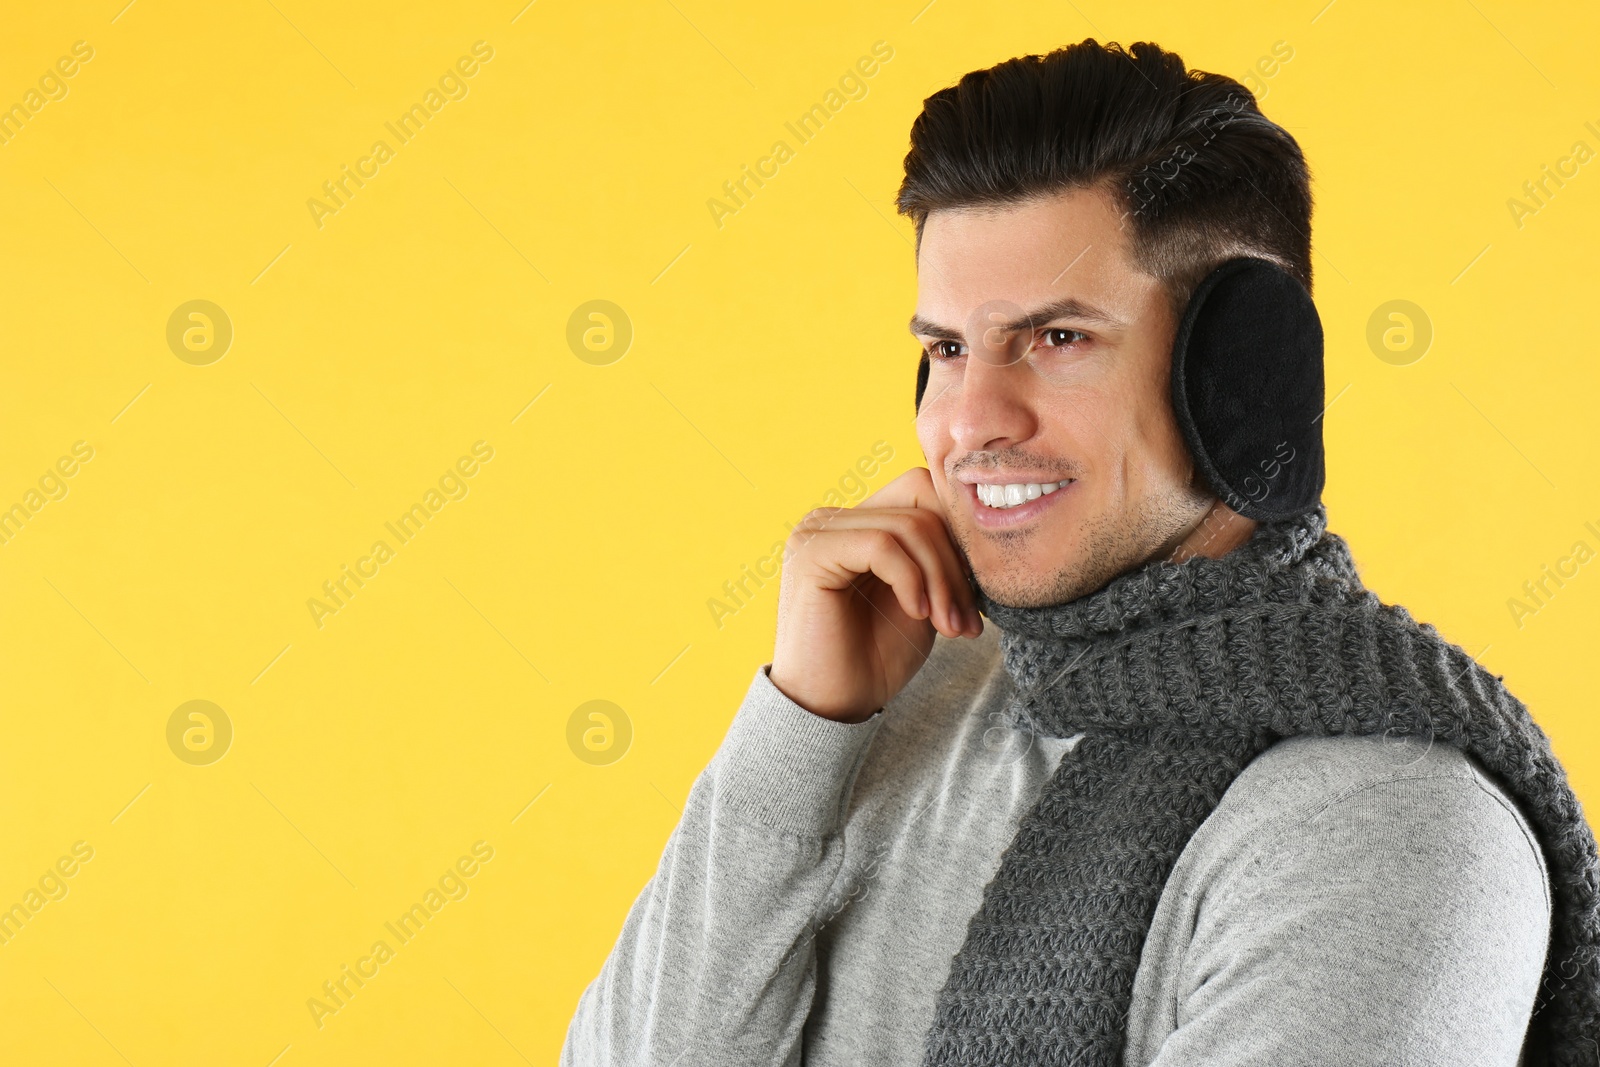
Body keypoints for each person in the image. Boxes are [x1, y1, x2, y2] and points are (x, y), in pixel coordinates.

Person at [562, 38, 1598, 1066]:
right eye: (947, 349)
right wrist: (800, 723)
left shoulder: (1391, 829)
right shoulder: (895, 695)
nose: (967, 421)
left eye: (1056, 339)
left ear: (1245, 376)